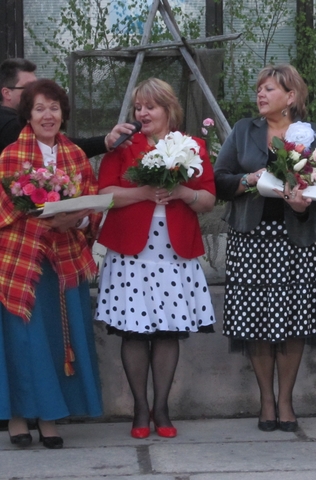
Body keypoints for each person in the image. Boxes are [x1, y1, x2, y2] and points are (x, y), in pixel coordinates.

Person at [214, 64, 316, 433]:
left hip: (299, 241)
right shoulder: (243, 131)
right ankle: (266, 401)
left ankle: (286, 402)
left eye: (269, 89)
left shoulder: (315, 134)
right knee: (256, 321)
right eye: (259, 89)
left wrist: (304, 206)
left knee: (295, 322)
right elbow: (219, 180)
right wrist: (248, 179)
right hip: (252, 241)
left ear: (291, 96)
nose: (261, 94)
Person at [94, 78, 216, 439]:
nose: (143, 113)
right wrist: (144, 193)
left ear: (169, 109)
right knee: (133, 333)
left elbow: (208, 199)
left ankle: (161, 407)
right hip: (131, 253)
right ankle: (139, 408)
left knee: (167, 332)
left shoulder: (192, 147)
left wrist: (182, 193)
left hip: (173, 254)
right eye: (138, 107)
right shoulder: (122, 145)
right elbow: (104, 193)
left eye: (150, 106)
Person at [0, 79, 103, 449]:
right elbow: (4, 208)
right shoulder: (10, 154)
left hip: (64, 259)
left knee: (59, 339)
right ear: (27, 115)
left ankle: (49, 418)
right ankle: (16, 416)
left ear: (63, 114)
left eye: (54, 108)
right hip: (20, 261)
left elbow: (91, 200)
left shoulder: (75, 154)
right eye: (40, 108)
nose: (48, 115)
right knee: (21, 340)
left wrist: (75, 218)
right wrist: (39, 216)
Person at [0, 58, 136, 155]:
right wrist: (105, 141)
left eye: (54, 108)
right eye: (40, 109)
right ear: (6, 93)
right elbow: (67, 147)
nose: (34, 91)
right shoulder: (10, 125)